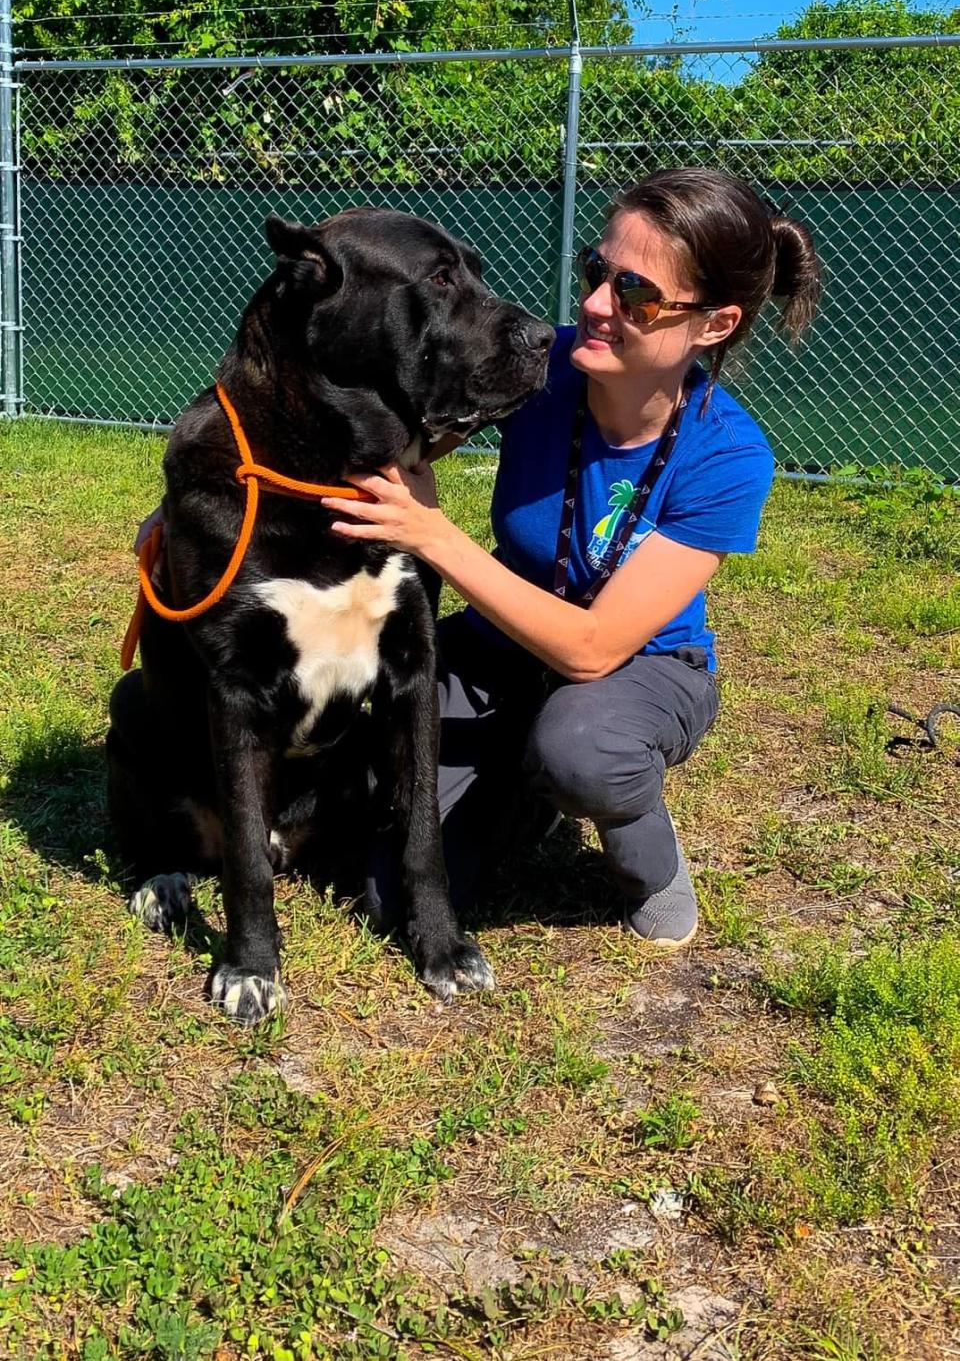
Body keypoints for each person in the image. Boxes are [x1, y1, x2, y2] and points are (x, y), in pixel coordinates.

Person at [321, 168, 821, 950]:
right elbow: (379, 437)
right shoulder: (541, 366)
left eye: (636, 295)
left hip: (642, 671)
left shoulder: (728, 455)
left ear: (715, 323)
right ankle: (521, 785)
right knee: (386, 891)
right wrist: (203, 490)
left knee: (583, 746)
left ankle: (648, 861)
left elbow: (593, 648)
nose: (594, 304)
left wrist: (432, 533)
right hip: (506, 646)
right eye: (597, 271)